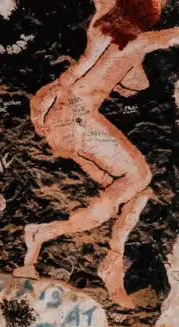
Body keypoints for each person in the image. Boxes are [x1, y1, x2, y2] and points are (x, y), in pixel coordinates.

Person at [16, 0, 179, 308]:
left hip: (53, 113)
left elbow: (126, 77)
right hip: (77, 117)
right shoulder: (140, 41)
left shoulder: (101, 23)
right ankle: (107, 256)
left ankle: (40, 238)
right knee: (139, 174)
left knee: (133, 193)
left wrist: (131, 77)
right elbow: (172, 36)